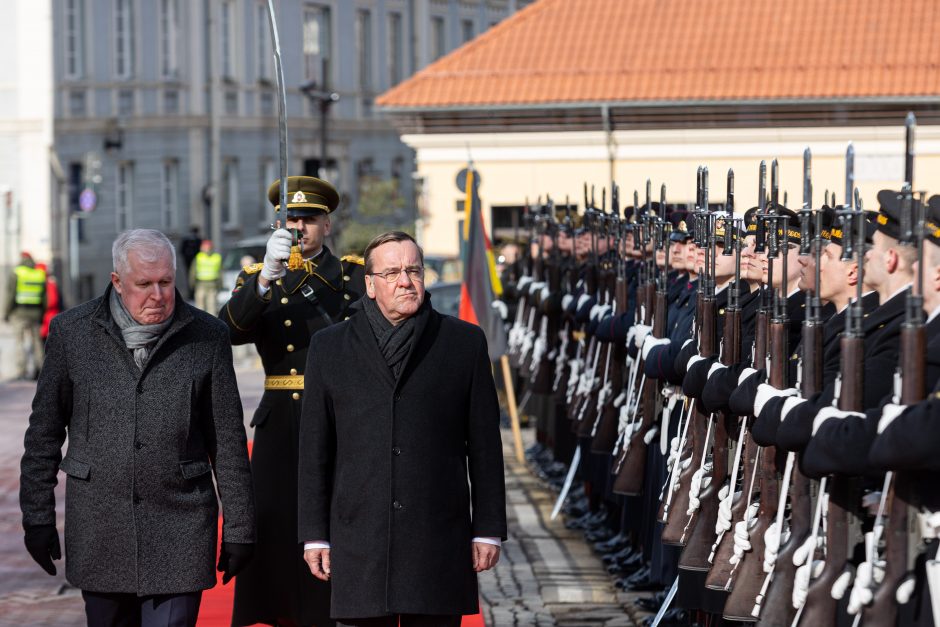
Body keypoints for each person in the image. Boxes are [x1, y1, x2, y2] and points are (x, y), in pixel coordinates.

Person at [19, 229, 255, 627]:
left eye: (165, 282)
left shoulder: (207, 336)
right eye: (144, 284)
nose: (158, 295)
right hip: (100, 530)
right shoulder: (72, 333)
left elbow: (228, 441)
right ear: (117, 281)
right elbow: (43, 433)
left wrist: (240, 528)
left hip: (181, 527)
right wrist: (36, 516)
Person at [298, 231, 507, 627]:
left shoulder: (463, 342)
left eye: (413, 270)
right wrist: (315, 534)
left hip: (435, 538)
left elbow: (484, 444)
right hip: (359, 538)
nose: (405, 281)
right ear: (370, 285)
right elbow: (315, 451)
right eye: (392, 272)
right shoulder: (329, 347)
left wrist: (489, 528)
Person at [221, 175, 366, 627]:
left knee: (336, 514)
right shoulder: (259, 277)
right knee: (278, 521)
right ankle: (279, 609)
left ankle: (337, 609)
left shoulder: (350, 275)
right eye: (290, 219)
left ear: (327, 224)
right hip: (281, 418)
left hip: (338, 412)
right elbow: (229, 331)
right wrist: (266, 277)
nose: (299, 227)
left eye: (309, 219)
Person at [4, 251, 46, 379]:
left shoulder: (17, 272)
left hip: (19, 313)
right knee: (37, 343)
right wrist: (42, 312)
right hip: (36, 313)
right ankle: (40, 370)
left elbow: (10, 295)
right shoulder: (39, 274)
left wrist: (6, 313)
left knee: (19, 342)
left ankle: (21, 371)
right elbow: (45, 297)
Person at [191, 239, 223, 312]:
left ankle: (200, 323)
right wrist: (220, 285)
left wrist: (192, 285)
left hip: (201, 285)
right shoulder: (216, 257)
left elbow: (192, 272)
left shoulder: (198, 257)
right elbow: (220, 273)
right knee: (212, 307)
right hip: (212, 285)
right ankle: (212, 323)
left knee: (200, 307)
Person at [34, 262, 63, 342]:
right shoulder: (51, 282)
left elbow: (52, 301)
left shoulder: (47, 283)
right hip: (52, 316)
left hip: (47, 317)